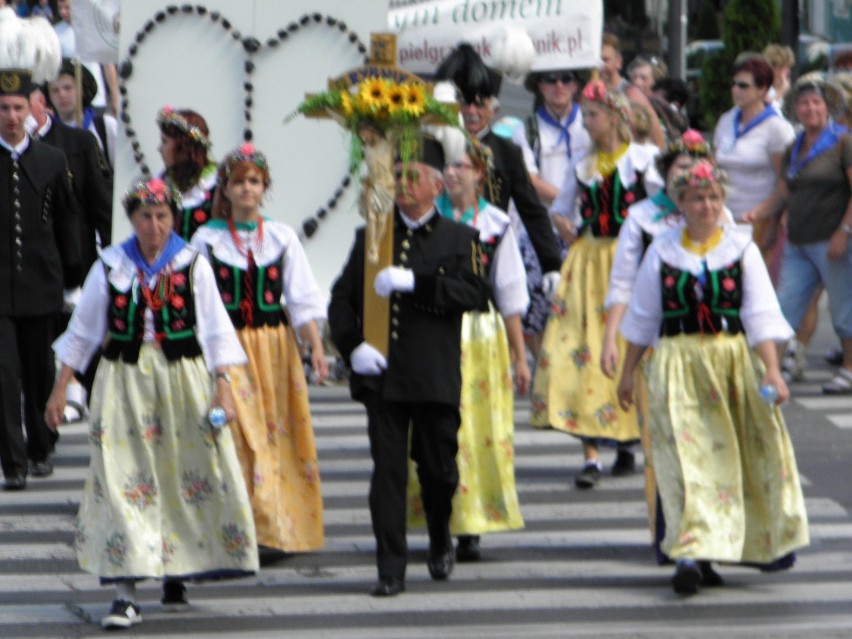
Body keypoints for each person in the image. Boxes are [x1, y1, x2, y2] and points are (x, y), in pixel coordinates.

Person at [44, 176, 259, 629]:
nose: (154, 225)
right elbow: (83, 332)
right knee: (123, 480)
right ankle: (124, 592)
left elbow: (216, 330)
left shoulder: (192, 263)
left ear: (172, 218)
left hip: (182, 380)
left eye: (162, 216)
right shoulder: (109, 265)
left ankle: (174, 568)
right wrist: (61, 386)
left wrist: (224, 387)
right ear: (132, 218)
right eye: (145, 216)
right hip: (124, 383)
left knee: (181, 472)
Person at [617, 160, 809, 595]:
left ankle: (711, 549)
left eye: (713, 198)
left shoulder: (741, 249)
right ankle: (689, 552)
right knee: (684, 457)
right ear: (680, 204)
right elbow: (644, 317)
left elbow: (759, 315)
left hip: (729, 363)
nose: (706, 206)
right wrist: (628, 373)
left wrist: (774, 373)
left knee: (727, 457)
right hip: (677, 363)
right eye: (697, 198)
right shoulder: (662, 251)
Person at [328, 136, 490, 597]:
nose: (402, 182)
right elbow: (341, 300)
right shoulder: (372, 235)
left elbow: (476, 293)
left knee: (439, 472)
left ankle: (440, 533)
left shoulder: (464, 239)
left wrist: (416, 283)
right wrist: (353, 345)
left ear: (437, 184)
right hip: (384, 377)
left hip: (434, 375)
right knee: (388, 475)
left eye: (413, 174)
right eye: (397, 174)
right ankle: (390, 568)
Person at [190, 142, 327, 552]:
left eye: (254, 181)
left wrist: (316, 347)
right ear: (226, 190)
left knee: (274, 434)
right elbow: (197, 300)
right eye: (239, 182)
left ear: (264, 187)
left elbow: (301, 299)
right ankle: (234, 528)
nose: (247, 189)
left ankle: (272, 527)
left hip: (274, 349)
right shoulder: (206, 240)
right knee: (232, 432)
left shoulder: (282, 238)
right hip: (226, 347)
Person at [531, 80, 662, 489]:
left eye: (592, 115)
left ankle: (625, 439)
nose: (586, 122)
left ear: (616, 117)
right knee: (579, 350)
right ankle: (590, 452)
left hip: (629, 261)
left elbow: (664, 206)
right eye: (585, 115)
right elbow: (560, 208)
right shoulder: (583, 165)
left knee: (626, 350)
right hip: (588, 263)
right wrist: (565, 224)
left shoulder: (643, 160)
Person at [407, 135, 529, 562]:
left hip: (480, 336)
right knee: (433, 429)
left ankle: (472, 521)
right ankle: (438, 516)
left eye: (463, 166)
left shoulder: (496, 223)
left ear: (480, 173)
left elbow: (509, 291)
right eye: (449, 167)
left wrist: (519, 355)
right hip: (433, 331)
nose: (454, 173)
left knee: (477, 428)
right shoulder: (422, 220)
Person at [601, 130, 726, 535]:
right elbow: (623, 284)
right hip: (657, 346)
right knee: (663, 444)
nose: (690, 175)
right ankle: (671, 527)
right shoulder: (642, 218)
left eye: (697, 166)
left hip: (714, 349)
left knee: (711, 441)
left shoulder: (719, 218)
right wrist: (611, 344)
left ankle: (710, 528)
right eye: (681, 167)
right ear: (666, 173)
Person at [0, 7, 82, 491]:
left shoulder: (51, 160)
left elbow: (67, 223)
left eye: (17, 108)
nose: (11, 117)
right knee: (4, 376)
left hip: (41, 284)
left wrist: (73, 280)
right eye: (2, 109)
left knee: (37, 371)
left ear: (31, 109)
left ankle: (39, 446)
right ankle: (12, 460)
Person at [744, 75, 852, 394]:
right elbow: (783, 193)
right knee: (784, 306)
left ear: (828, 107)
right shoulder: (795, 146)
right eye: (803, 103)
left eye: (816, 102)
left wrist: (844, 232)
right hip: (798, 241)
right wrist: (757, 214)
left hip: (833, 238)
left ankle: (849, 369)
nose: (810, 108)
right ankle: (771, 374)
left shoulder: (843, 142)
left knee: (844, 307)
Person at [434, 44, 564, 292]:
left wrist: (551, 264)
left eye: (479, 104)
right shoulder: (434, 145)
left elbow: (532, 210)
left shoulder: (507, 152)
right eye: (464, 103)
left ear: (493, 110)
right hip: (440, 256)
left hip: (490, 261)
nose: (471, 112)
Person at [27, 81, 113, 422]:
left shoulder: (77, 143)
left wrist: (109, 252)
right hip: (30, 267)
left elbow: (101, 203)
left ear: (40, 104)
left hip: (76, 258)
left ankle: (82, 394)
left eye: (22, 105)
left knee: (83, 332)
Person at [512, 67, 591, 359]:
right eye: (550, 79)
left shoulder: (591, 121)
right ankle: (544, 367)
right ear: (539, 86)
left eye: (567, 79)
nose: (559, 85)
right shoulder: (528, 129)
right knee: (538, 307)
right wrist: (566, 201)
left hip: (586, 228)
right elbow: (530, 181)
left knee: (585, 304)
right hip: (543, 230)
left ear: (576, 85)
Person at [157, 106, 218, 240]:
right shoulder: (159, 184)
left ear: (183, 146)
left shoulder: (217, 185)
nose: (159, 149)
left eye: (164, 141)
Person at [47, 58, 119, 167]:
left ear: (81, 90)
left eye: (68, 88)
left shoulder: (105, 126)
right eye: (55, 90)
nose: (62, 95)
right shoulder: (47, 132)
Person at [53, 0, 119, 115]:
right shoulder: (56, 32)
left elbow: (108, 64)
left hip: (96, 98)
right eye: (60, 8)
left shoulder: (94, 29)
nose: (63, 12)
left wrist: (115, 95)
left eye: (67, 8)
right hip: (71, 101)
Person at [599, 34, 665, 149]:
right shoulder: (587, 95)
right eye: (596, 60)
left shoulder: (631, 94)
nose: (600, 66)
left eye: (605, 60)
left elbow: (659, 144)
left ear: (618, 61)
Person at [763, 44, 795, 112]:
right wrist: (780, 92)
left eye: (788, 68)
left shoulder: (781, 91)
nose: (788, 73)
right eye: (783, 68)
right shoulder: (760, 90)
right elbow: (763, 115)